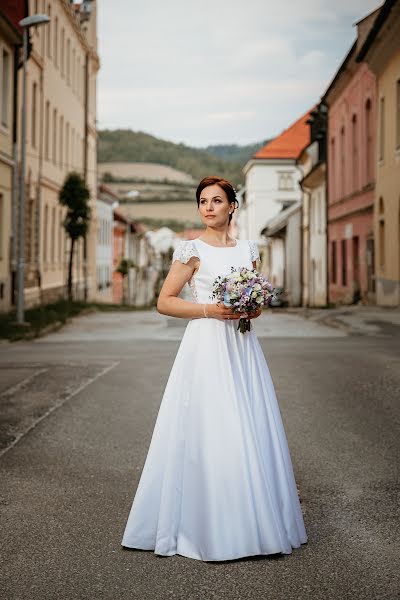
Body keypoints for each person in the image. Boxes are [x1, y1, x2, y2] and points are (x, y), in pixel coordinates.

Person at [121, 175, 308, 561]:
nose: (208, 207)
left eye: (216, 201)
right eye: (203, 201)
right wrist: (210, 309)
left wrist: (251, 306)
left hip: (241, 347)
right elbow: (165, 302)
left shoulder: (249, 250)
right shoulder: (191, 250)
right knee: (213, 425)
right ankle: (206, 525)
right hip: (205, 345)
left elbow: (253, 303)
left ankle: (256, 520)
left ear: (232, 206)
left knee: (248, 422)